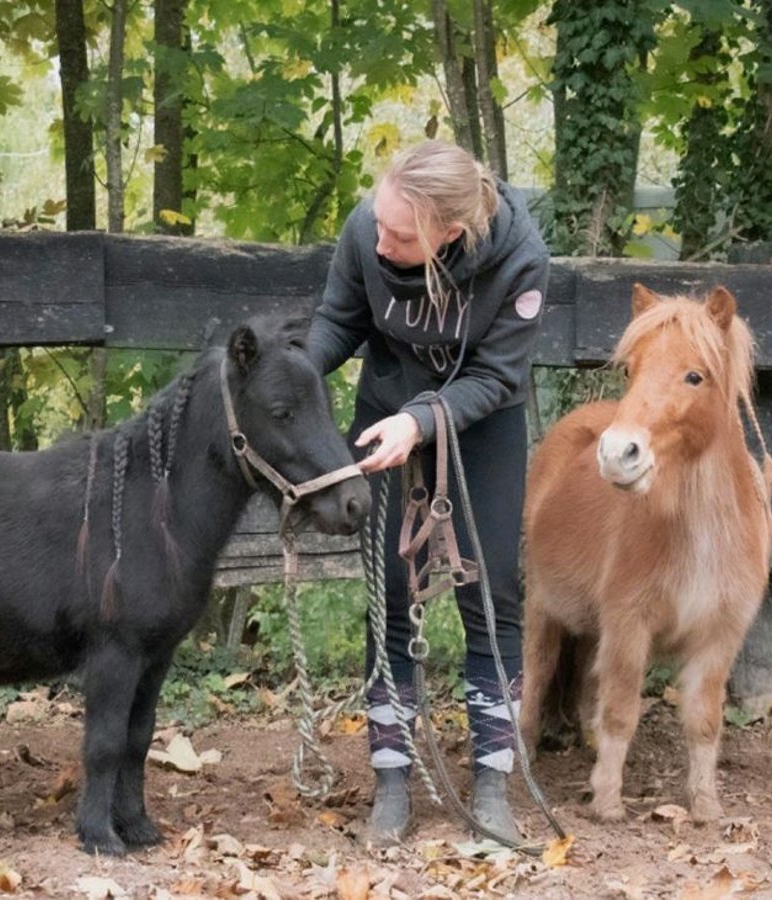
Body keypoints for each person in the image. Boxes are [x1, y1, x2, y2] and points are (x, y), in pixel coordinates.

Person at [306, 139, 549, 845]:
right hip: (384, 414)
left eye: (401, 235)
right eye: (379, 224)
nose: (380, 241)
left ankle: (492, 781)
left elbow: (500, 375)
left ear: (450, 233)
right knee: (389, 591)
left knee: (493, 594)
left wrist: (425, 421)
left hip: (480, 426)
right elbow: (339, 320)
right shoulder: (366, 229)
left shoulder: (520, 258)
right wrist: (295, 372)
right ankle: (390, 777)